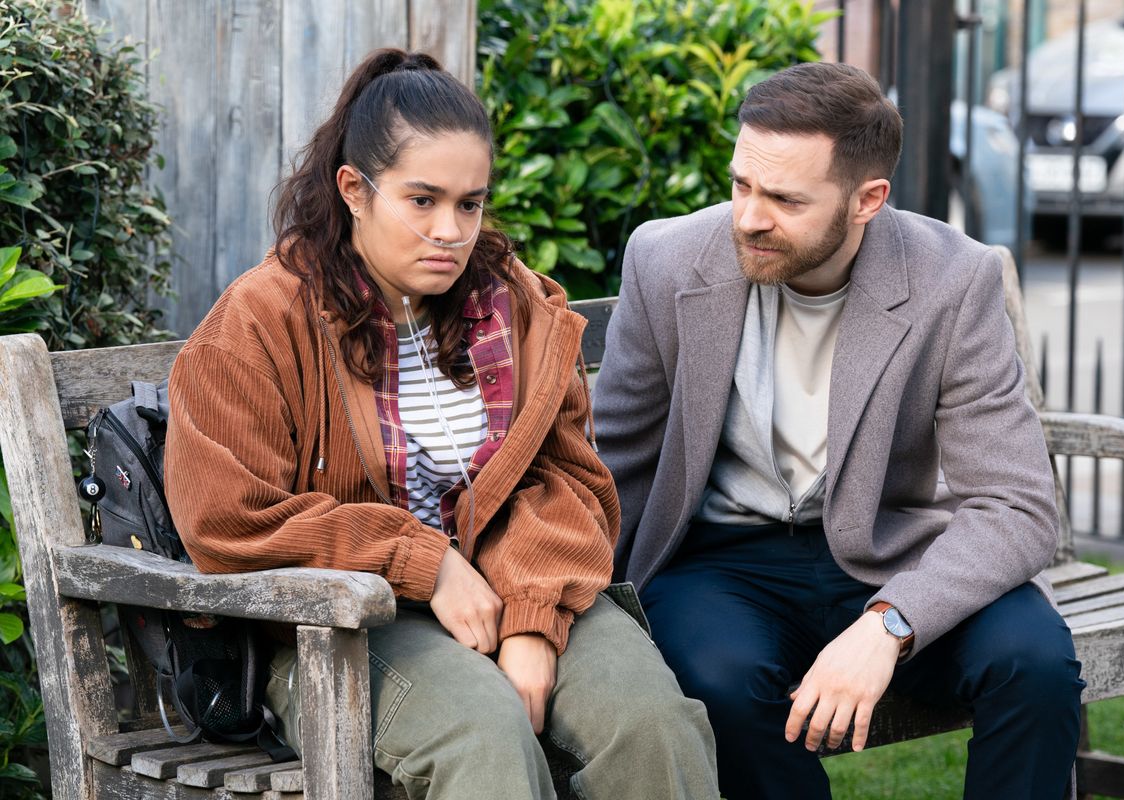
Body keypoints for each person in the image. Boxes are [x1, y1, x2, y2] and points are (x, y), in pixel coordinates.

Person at [163, 49, 718, 800]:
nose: (450, 231)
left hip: (528, 583)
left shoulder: (514, 306)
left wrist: (529, 620)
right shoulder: (263, 320)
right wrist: (426, 562)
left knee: (655, 727)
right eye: (421, 201)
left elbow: (567, 480)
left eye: (470, 203)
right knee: (484, 737)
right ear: (355, 191)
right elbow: (226, 516)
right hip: (349, 626)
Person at [592, 61, 1085, 800]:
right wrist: (564, 605)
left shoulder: (953, 281)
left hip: (899, 550)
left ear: (867, 201)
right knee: (713, 682)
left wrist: (889, 623)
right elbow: (612, 461)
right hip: (726, 566)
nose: (750, 217)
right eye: (741, 185)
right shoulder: (666, 261)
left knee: (1036, 664)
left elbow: (1016, 506)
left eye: (785, 198)